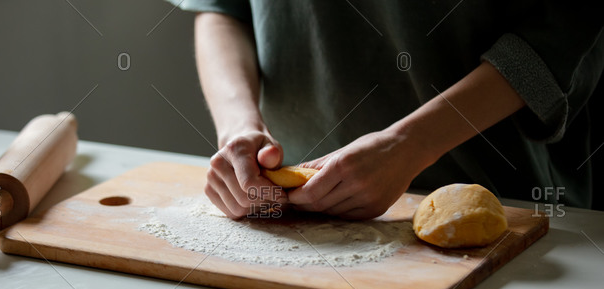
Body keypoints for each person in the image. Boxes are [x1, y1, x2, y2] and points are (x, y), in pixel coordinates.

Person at [168, 0, 604, 219]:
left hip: (506, 202)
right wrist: (238, 129)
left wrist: (409, 145)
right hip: (289, 215)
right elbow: (222, 10)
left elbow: (564, 28)